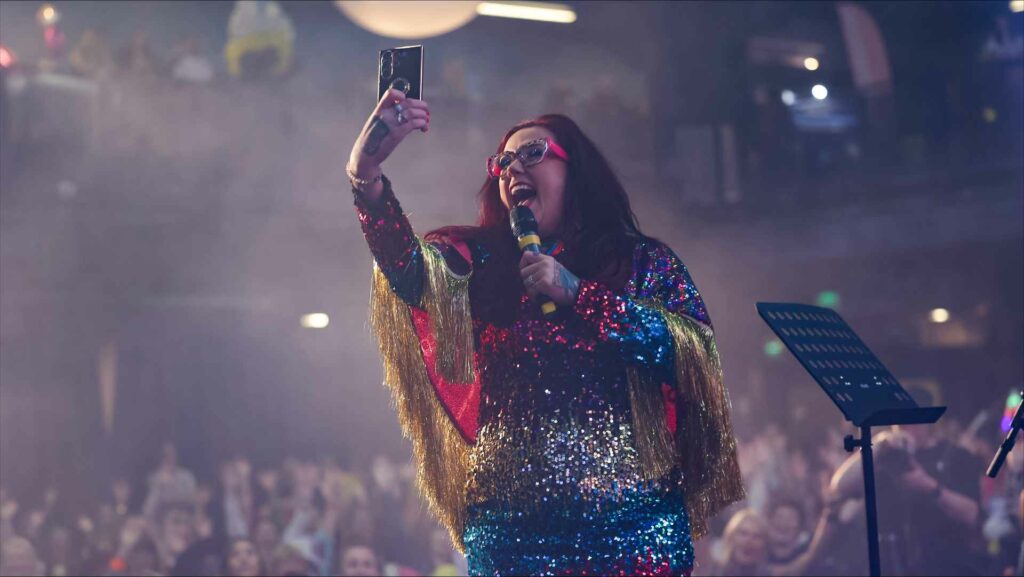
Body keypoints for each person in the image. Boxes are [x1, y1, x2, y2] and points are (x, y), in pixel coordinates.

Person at [345, 88, 744, 575]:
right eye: (502, 163)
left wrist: (582, 296)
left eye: (532, 154)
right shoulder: (480, 264)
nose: (512, 170)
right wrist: (364, 175)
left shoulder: (640, 262)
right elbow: (409, 271)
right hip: (512, 537)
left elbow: (693, 357)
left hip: (633, 530)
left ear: (575, 171)